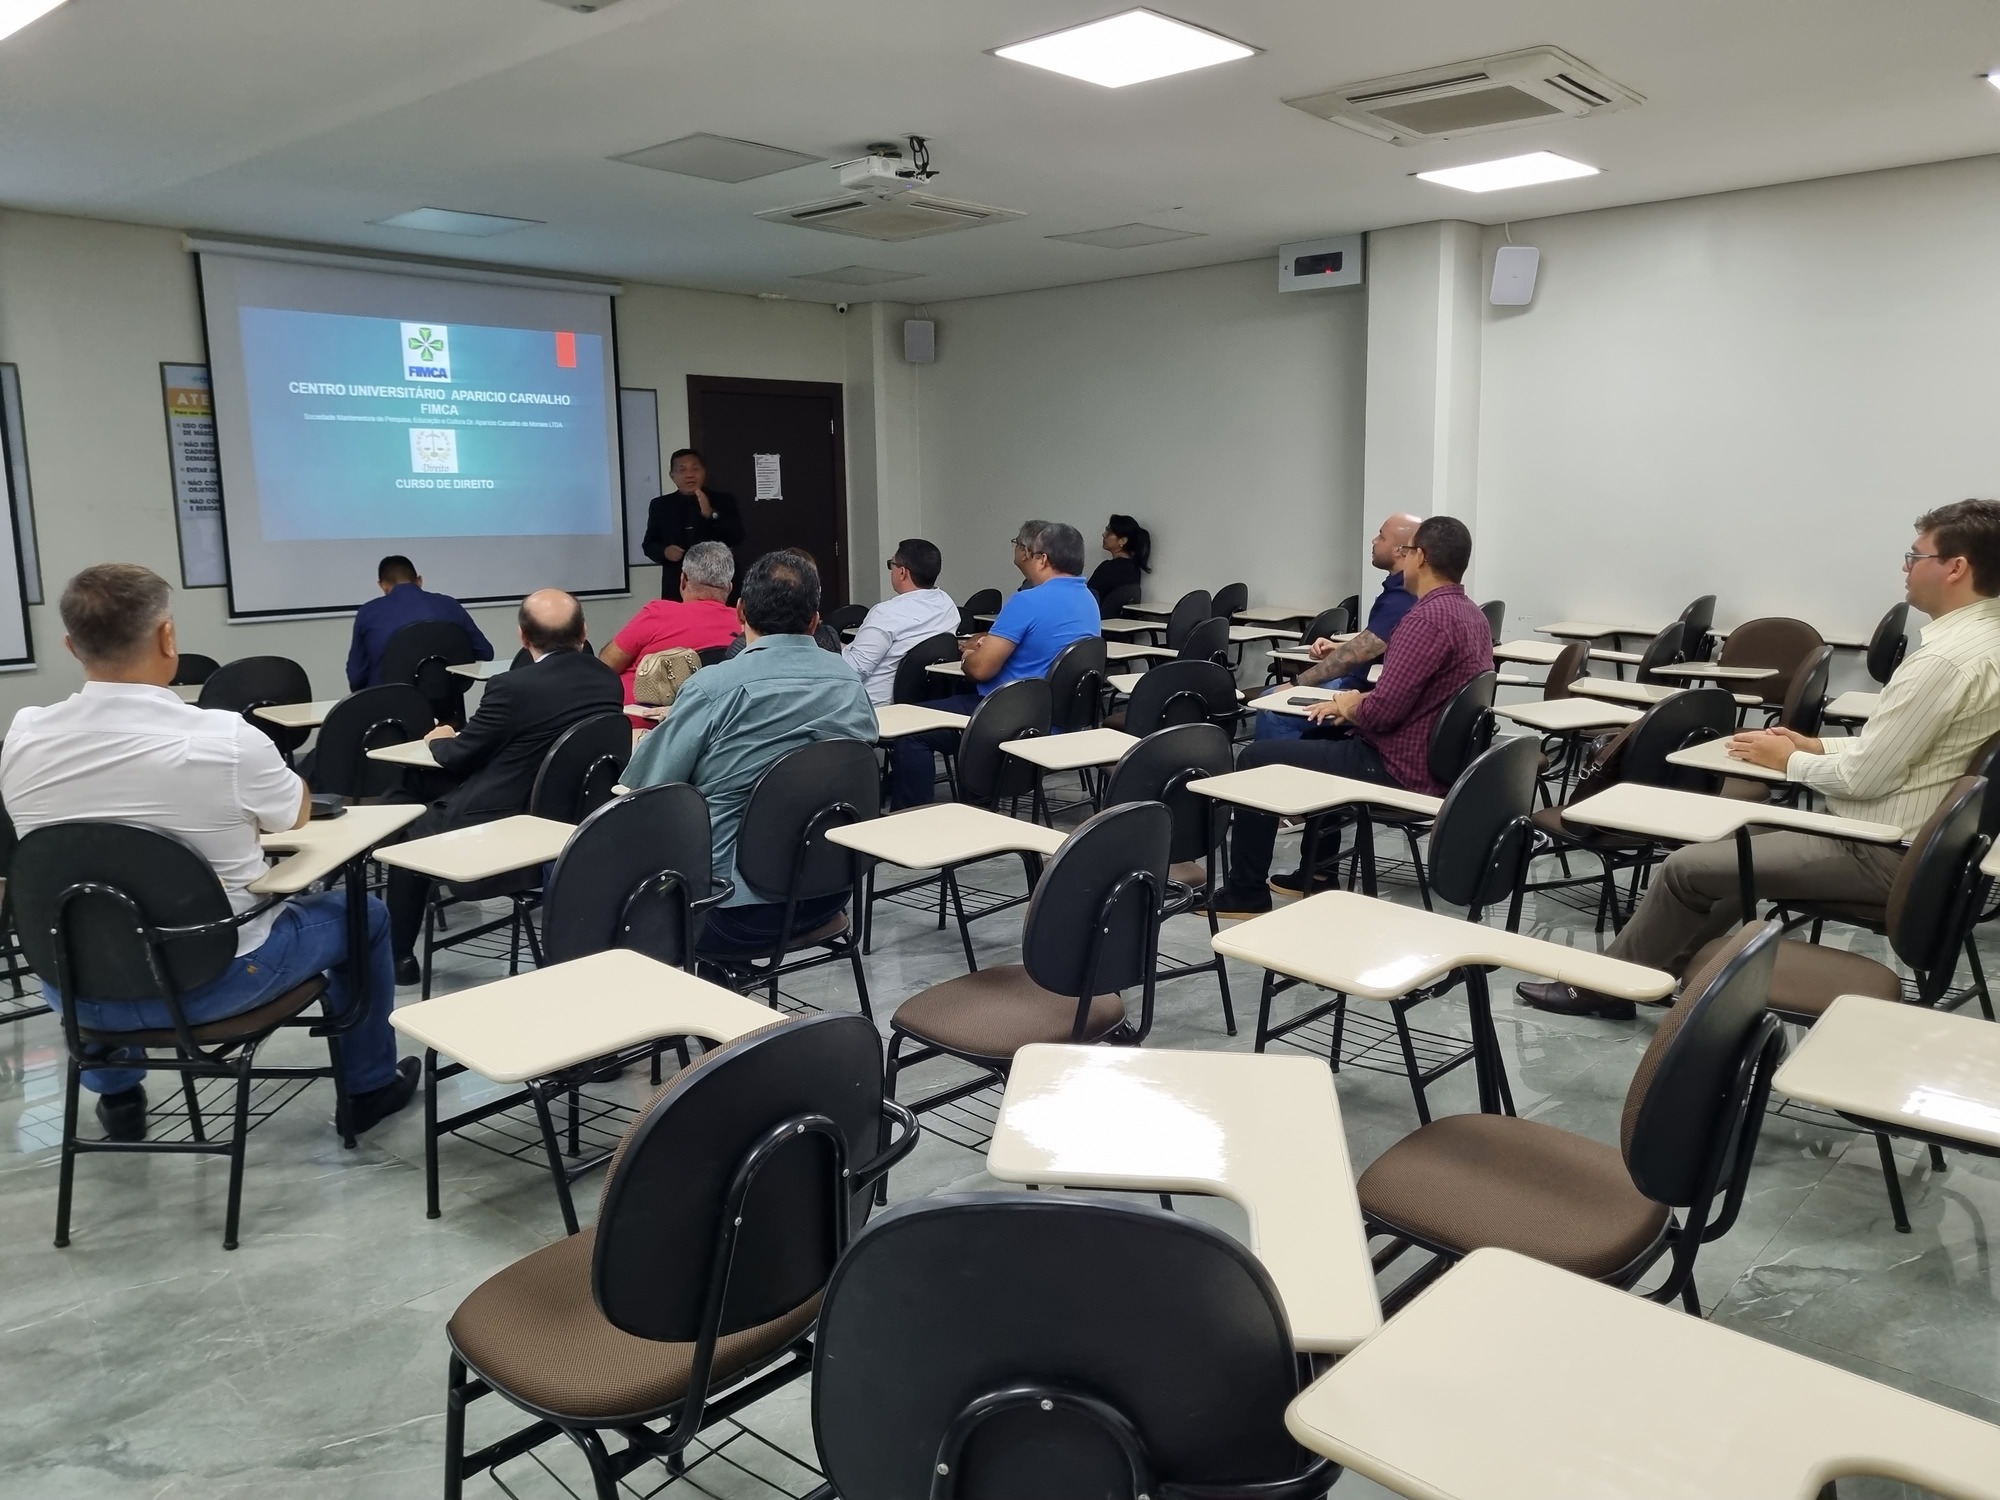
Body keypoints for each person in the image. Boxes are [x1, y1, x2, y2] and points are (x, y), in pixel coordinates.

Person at [1521, 499, 2000, 1020]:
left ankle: (1604, 988)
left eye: (1915, 556)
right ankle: (1653, 975)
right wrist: (1813, 745)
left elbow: (1863, 778)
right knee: (1730, 847)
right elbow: (1912, 750)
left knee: (1685, 868)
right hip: (1925, 846)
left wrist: (1787, 762)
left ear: (1956, 567)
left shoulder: (1943, 660)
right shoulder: (1987, 642)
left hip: (1881, 850)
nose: (1904, 567)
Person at [2, 564, 418, 1142]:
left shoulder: (23, 735)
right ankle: (369, 1088)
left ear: (71, 646)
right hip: (217, 981)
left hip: (75, 986)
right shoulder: (225, 738)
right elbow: (296, 814)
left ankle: (118, 1096)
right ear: (168, 638)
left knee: (94, 919)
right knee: (364, 916)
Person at [1204, 515, 1494, 917]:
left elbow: (1382, 714)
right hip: (1439, 765)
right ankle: (1318, 873)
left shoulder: (1423, 619)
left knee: (1256, 758)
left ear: (1420, 557)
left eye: (1409, 551)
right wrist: (1354, 705)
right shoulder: (1472, 615)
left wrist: (1350, 705)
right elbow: (1418, 697)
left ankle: (1245, 894)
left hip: (1399, 769)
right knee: (1325, 739)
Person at [622, 550, 877, 955]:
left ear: (740, 611)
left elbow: (645, 787)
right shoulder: (849, 683)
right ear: (815, 621)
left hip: (728, 910)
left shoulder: (713, 687)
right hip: (831, 893)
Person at [384, 589, 622, 983]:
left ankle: (399, 960)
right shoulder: (607, 680)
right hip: (572, 823)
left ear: (523, 637)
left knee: (404, 826)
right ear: (584, 632)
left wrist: (439, 738)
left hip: (504, 827)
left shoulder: (511, 687)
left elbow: (459, 756)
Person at [889, 521, 1103, 808]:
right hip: (1057, 718)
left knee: (911, 731)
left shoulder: (1028, 601)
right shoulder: (1088, 599)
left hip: (1009, 721)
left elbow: (980, 670)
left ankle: (912, 820)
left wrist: (968, 656)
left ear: (1042, 559)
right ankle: (980, 800)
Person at [1254, 514, 1423, 743]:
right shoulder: (1401, 589)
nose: (1374, 541)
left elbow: (1361, 652)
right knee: (1271, 698)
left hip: (1360, 693)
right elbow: (1381, 643)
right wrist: (1339, 648)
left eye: (1381, 536)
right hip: (1361, 684)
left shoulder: (1401, 595)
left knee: (1270, 707)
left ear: (1400, 550)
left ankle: (1277, 764)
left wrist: (1295, 683)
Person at [600, 540, 740, 703]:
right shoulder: (745, 625)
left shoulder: (658, 613)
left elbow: (606, 665)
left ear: (683, 579)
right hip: (712, 716)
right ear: (729, 587)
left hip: (640, 716)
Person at [345, 554, 493, 691]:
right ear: (419, 580)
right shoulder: (450, 605)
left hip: (389, 705)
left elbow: (356, 677)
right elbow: (485, 652)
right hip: (446, 705)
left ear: (383, 585)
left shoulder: (368, 612)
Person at [845, 538, 960, 706]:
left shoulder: (886, 613)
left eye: (891, 564)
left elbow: (852, 671)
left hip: (872, 708)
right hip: (921, 706)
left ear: (902, 572)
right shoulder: (947, 605)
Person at [642, 448, 744, 600]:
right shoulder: (660, 505)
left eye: (695, 469)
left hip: (719, 582)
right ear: (672, 476)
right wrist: (665, 551)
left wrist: (711, 514)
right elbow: (649, 544)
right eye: (682, 470)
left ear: (704, 472)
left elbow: (737, 536)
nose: (689, 475)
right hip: (678, 583)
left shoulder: (723, 500)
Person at [1088, 514, 1151, 611]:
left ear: (1123, 541)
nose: (1104, 534)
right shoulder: (1135, 569)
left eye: (1109, 532)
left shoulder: (1107, 568)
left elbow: (1087, 599)